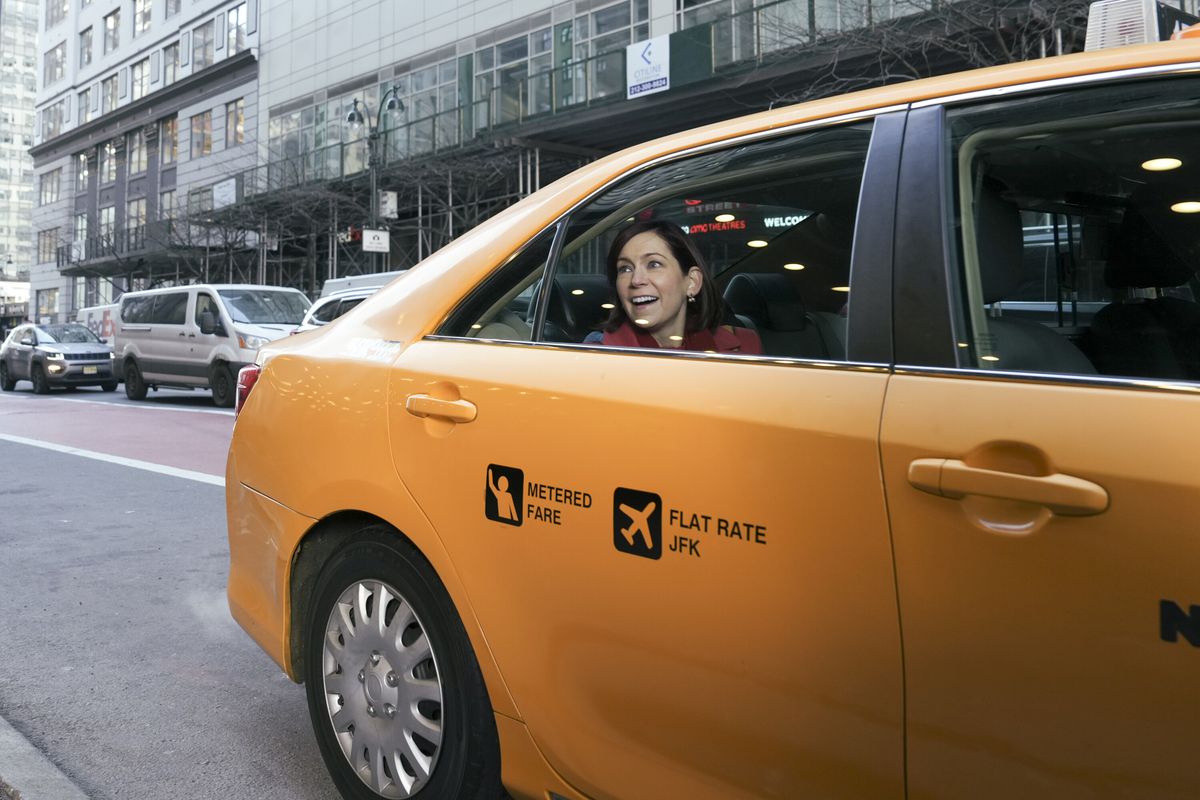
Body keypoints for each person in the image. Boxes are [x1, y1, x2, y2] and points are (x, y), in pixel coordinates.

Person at [583, 220, 762, 354]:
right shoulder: (596, 353)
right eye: (625, 268)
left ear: (692, 282)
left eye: (653, 264)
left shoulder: (745, 345)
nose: (636, 280)